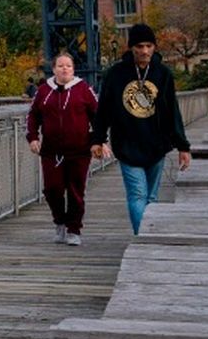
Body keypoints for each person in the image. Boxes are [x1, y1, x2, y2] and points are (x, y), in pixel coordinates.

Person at [92, 23, 192, 235]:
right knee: (137, 195)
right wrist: (97, 139)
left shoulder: (163, 74)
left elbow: (171, 111)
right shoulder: (115, 74)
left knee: (151, 197)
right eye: (139, 46)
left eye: (148, 45)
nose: (144, 51)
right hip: (127, 144)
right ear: (131, 48)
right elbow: (104, 109)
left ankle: (149, 233)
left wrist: (183, 146)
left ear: (154, 47)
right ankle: (144, 237)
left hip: (156, 144)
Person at [28, 52, 98, 245]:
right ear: (54, 69)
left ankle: (74, 230)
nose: (64, 68)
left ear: (73, 69)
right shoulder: (43, 91)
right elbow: (32, 116)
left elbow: (97, 116)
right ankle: (60, 222)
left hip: (79, 150)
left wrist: (97, 141)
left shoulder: (83, 89)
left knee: (76, 191)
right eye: (60, 65)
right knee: (53, 189)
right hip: (51, 151)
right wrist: (33, 138)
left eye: (68, 65)